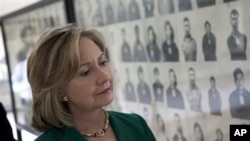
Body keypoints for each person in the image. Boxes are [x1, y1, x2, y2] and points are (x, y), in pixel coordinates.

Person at [27, 24, 156, 141]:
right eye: (86, 72)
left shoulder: (136, 125)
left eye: (103, 62)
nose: (104, 76)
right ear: (59, 90)